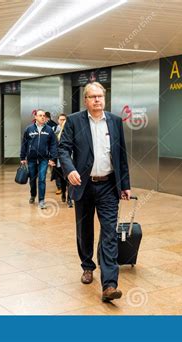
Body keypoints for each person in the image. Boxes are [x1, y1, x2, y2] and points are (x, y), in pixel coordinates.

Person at [58, 82, 131, 302]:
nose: (97, 100)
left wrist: (124, 184)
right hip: (84, 185)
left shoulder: (115, 121)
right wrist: (69, 170)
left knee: (109, 232)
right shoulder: (74, 121)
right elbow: (63, 149)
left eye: (100, 96)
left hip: (108, 185)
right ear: (86, 100)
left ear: (104, 98)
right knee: (85, 230)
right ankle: (88, 266)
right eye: (92, 96)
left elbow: (121, 154)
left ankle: (109, 284)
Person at [20, 109, 57, 209]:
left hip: (44, 159)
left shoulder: (49, 130)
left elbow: (53, 145)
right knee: (32, 179)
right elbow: (24, 144)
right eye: (40, 115)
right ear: (35, 117)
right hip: (31, 159)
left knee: (42, 179)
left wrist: (52, 158)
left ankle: (41, 200)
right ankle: (33, 195)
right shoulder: (29, 129)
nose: (42, 117)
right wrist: (22, 157)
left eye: (44, 116)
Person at [54, 114, 73, 207]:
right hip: (59, 161)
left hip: (71, 160)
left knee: (70, 179)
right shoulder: (55, 133)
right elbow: (53, 147)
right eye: (61, 120)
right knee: (62, 180)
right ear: (58, 121)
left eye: (64, 119)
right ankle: (63, 193)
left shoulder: (71, 131)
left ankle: (70, 199)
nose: (63, 121)